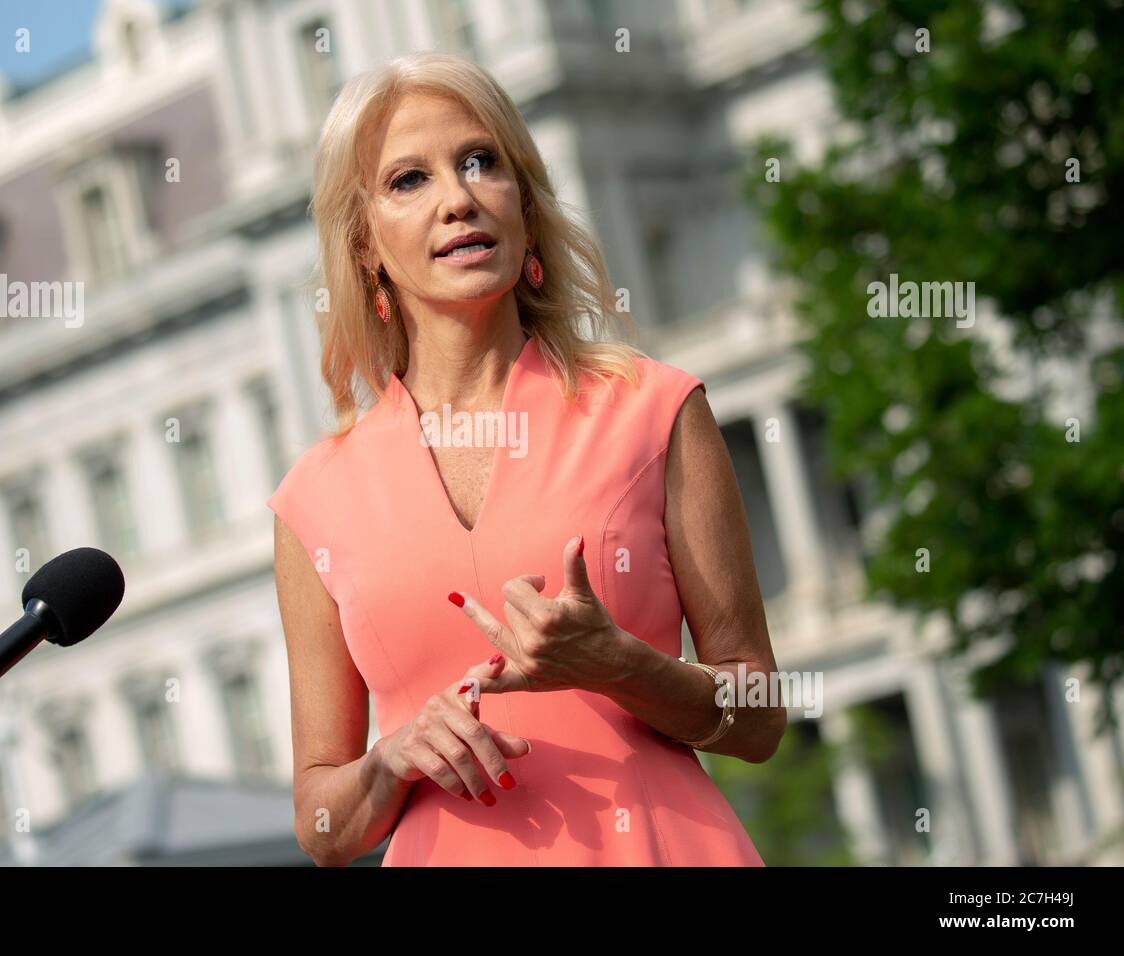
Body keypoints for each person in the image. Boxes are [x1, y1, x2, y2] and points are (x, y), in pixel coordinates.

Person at [268, 52, 784, 866]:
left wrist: (621, 666)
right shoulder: (313, 500)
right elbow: (320, 825)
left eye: (482, 163)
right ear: (364, 240)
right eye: (410, 180)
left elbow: (758, 717)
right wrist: (392, 759)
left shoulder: (654, 408)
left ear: (526, 208)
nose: (459, 198)